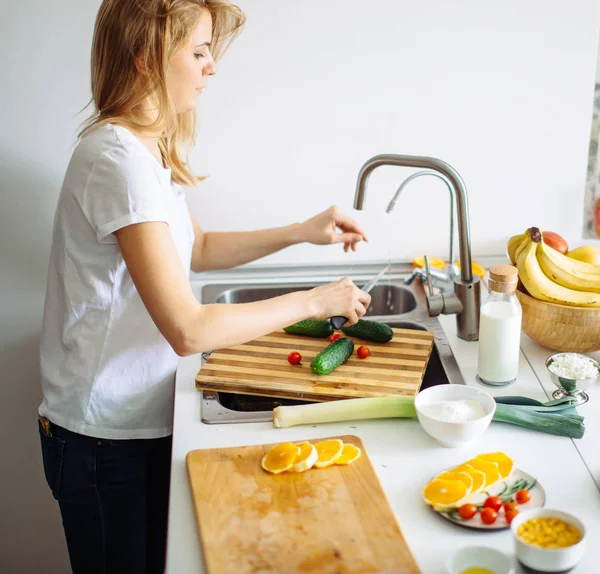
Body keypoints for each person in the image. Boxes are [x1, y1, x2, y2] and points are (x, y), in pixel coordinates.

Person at [37, 1, 371, 573]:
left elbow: (199, 248)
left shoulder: (147, 150)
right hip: (102, 440)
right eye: (197, 51)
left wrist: (302, 232)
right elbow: (188, 329)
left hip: (132, 426)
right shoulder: (114, 160)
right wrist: (314, 301)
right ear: (146, 59)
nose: (211, 66)